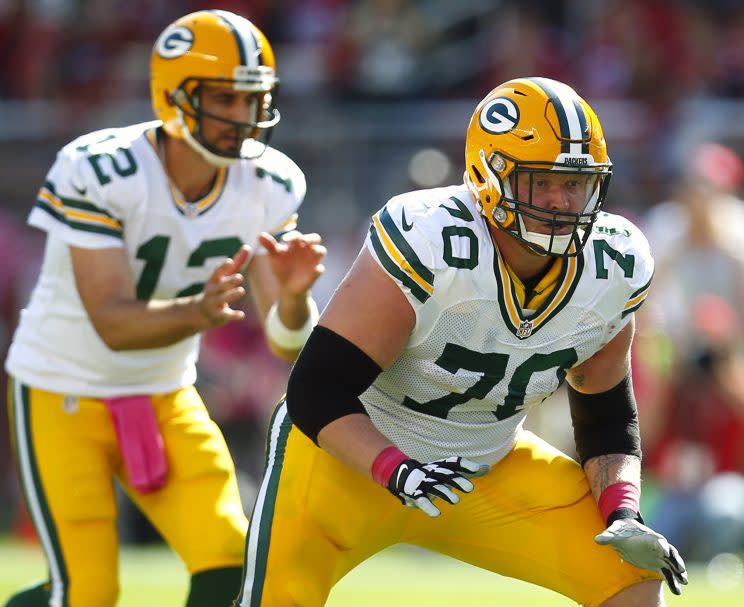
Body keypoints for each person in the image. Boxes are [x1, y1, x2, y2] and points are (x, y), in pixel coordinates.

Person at [235, 77, 687, 607]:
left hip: (482, 464)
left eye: (576, 183)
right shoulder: (431, 239)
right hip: (348, 461)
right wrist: (395, 469)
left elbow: (608, 419)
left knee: (630, 577)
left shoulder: (613, 264)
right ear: (489, 176)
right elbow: (318, 389)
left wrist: (623, 513)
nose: (562, 202)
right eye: (541, 181)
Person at [4, 9, 325, 607]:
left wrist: (293, 297)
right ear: (173, 95)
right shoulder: (100, 168)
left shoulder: (271, 183)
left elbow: (286, 344)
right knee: (87, 593)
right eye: (224, 97)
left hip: (163, 394)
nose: (244, 116)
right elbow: (112, 324)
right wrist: (196, 314)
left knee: (233, 563)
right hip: (61, 390)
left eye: (253, 98)